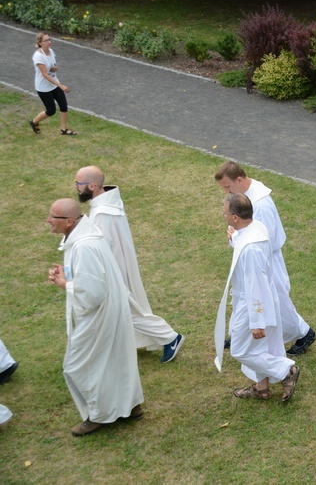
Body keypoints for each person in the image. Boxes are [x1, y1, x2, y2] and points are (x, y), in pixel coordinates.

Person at [47, 199, 143, 436]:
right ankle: (130, 407)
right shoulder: (84, 239)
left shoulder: (84, 246)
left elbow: (92, 294)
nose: (48, 221)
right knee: (114, 359)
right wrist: (68, 274)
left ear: (69, 222)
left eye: (53, 217)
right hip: (109, 311)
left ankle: (99, 415)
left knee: (79, 366)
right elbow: (91, 277)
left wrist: (65, 284)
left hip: (99, 316)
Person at [75, 166, 184, 363]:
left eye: (79, 184)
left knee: (124, 311)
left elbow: (103, 247)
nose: (76, 188)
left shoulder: (101, 213)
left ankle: (170, 337)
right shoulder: (108, 203)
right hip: (119, 264)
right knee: (121, 311)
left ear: (92, 185)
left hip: (112, 269)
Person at [215, 162, 316, 355]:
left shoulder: (260, 204)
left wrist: (235, 236)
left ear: (239, 179)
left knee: (275, 300)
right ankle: (241, 334)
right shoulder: (248, 197)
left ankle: (304, 332)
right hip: (258, 258)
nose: (227, 192)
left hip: (266, 261)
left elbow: (262, 239)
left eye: (228, 187)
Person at [214, 194, 300, 401]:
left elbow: (255, 285)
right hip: (260, 299)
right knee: (262, 347)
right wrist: (235, 238)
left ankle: (287, 371)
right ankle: (262, 387)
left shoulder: (251, 248)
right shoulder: (256, 228)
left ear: (235, 218)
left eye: (225, 213)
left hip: (252, 303)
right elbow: (247, 247)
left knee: (240, 350)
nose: (223, 215)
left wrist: (257, 321)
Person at [29, 32, 76, 136]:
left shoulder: (51, 51)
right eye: (46, 40)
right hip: (43, 88)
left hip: (54, 84)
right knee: (51, 111)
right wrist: (61, 85)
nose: (49, 42)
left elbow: (51, 67)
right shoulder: (38, 56)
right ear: (40, 43)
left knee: (63, 106)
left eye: (49, 39)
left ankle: (63, 130)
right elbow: (45, 74)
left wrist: (54, 68)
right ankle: (34, 121)